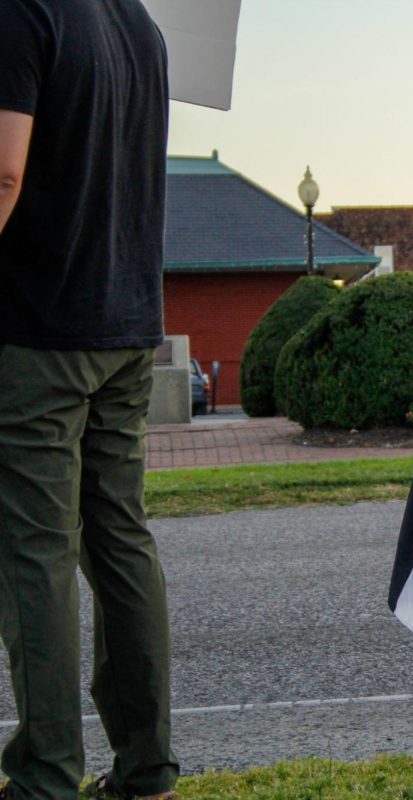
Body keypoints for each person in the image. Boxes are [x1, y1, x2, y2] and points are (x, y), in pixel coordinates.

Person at [0, 1, 178, 797]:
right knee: (119, 538)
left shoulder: (19, 12)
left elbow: (5, 170)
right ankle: (146, 767)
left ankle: (45, 776)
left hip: (40, 332)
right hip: (129, 324)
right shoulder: (140, 25)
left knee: (35, 548)